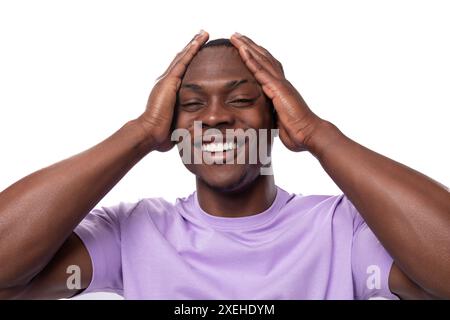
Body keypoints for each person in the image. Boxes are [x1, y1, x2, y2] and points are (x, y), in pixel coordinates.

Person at [0, 30, 449, 300]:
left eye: (240, 100)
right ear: (172, 129)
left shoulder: (341, 231)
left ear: (275, 118)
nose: (214, 117)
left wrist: (318, 135)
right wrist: (137, 134)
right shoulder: (133, 234)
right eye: (192, 104)